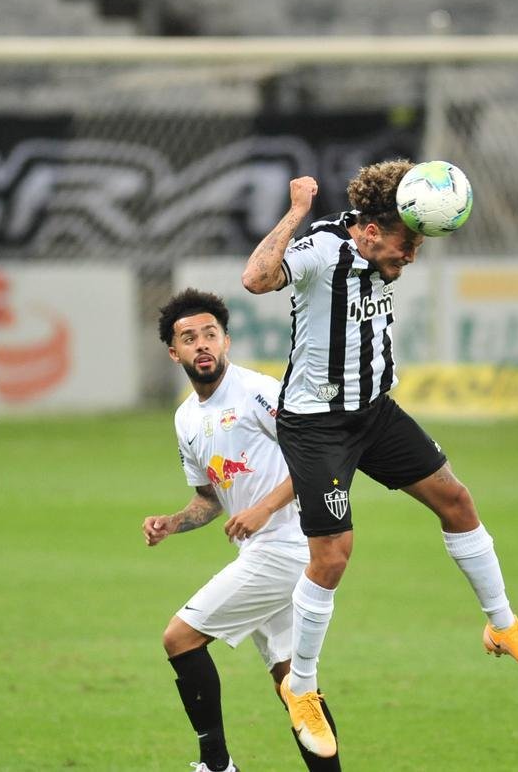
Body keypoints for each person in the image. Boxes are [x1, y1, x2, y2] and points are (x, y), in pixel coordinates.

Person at [241, 161, 518, 758]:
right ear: (369, 232)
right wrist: (296, 211)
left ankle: (502, 626)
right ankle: (301, 688)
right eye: (405, 245)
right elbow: (256, 278)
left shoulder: (375, 235)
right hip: (317, 425)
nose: (410, 257)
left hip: (374, 412)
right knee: (332, 556)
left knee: (457, 501)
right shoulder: (321, 250)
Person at [143, 288, 342, 772]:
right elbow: (210, 498)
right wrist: (173, 523)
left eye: (210, 334)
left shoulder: (260, 392)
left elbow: (318, 459)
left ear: (226, 341)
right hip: (262, 551)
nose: (202, 344)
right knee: (294, 685)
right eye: (189, 338)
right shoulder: (186, 418)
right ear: (174, 353)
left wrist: (263, 509)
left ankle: (216, 764)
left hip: (288, 547)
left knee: (179, 637)